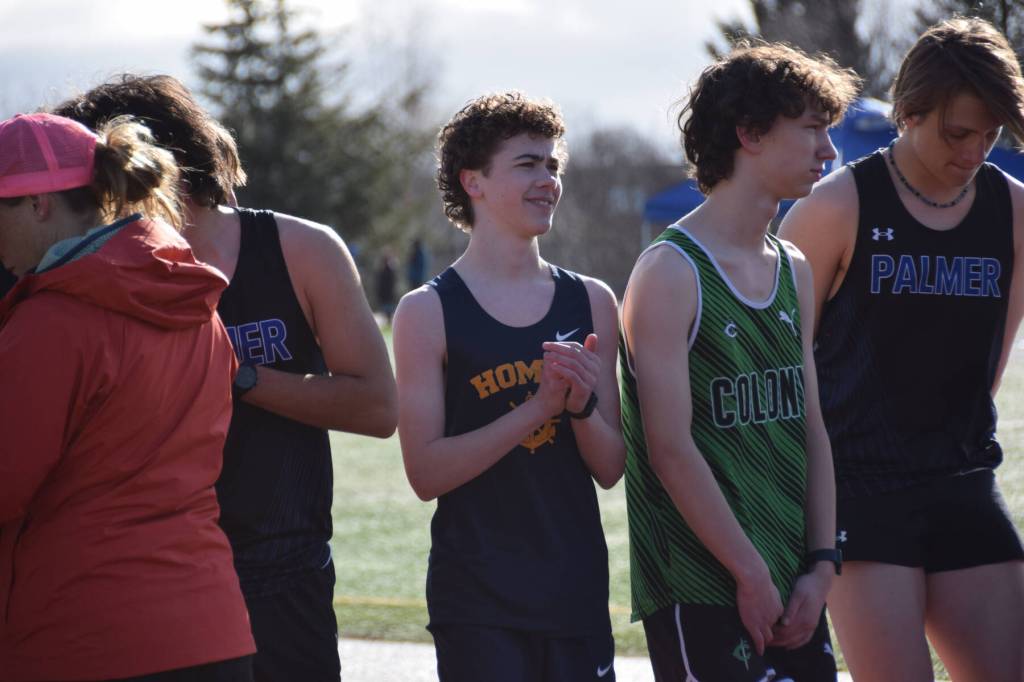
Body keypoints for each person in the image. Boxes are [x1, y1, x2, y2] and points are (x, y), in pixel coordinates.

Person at [55, 75, 398, 682]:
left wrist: (237, 376)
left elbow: (376, 407)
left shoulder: (301, 248)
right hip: (149, 575)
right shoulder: (93, 270)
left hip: (283, 574)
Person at [779, 17, 1024, 681]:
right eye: (957, 132)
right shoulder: (834, 208)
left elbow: (988, 367)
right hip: (858, 492)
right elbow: (785, 368)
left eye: (991, 134)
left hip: (963, 479)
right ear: (909, 113)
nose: (976, 150)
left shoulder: (1014, 212)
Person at [619, 44, 860, 681]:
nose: (828, 152)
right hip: (703, 584)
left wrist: (822, 566)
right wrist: (748, 573)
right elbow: (669, 450)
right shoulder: (670, 270)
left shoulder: (796, 268)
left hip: (792, 581)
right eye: (811, 129)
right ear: (749, 134)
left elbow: (812, 428)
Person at [0, 113, 255, 680]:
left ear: (39, 204)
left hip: (87, 636)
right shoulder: (192, 299)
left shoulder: (53, 321)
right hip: (211, 628)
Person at [392, 91, 626, 682]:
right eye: (527, 164)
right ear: (473, 181)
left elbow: (611, 466)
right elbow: (426, 474)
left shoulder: (593, 300)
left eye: (553, 165)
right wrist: (539, 406)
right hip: (478, 601)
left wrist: (579, 408)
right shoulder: (427, 311)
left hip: (574, 592)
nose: (548, 179)